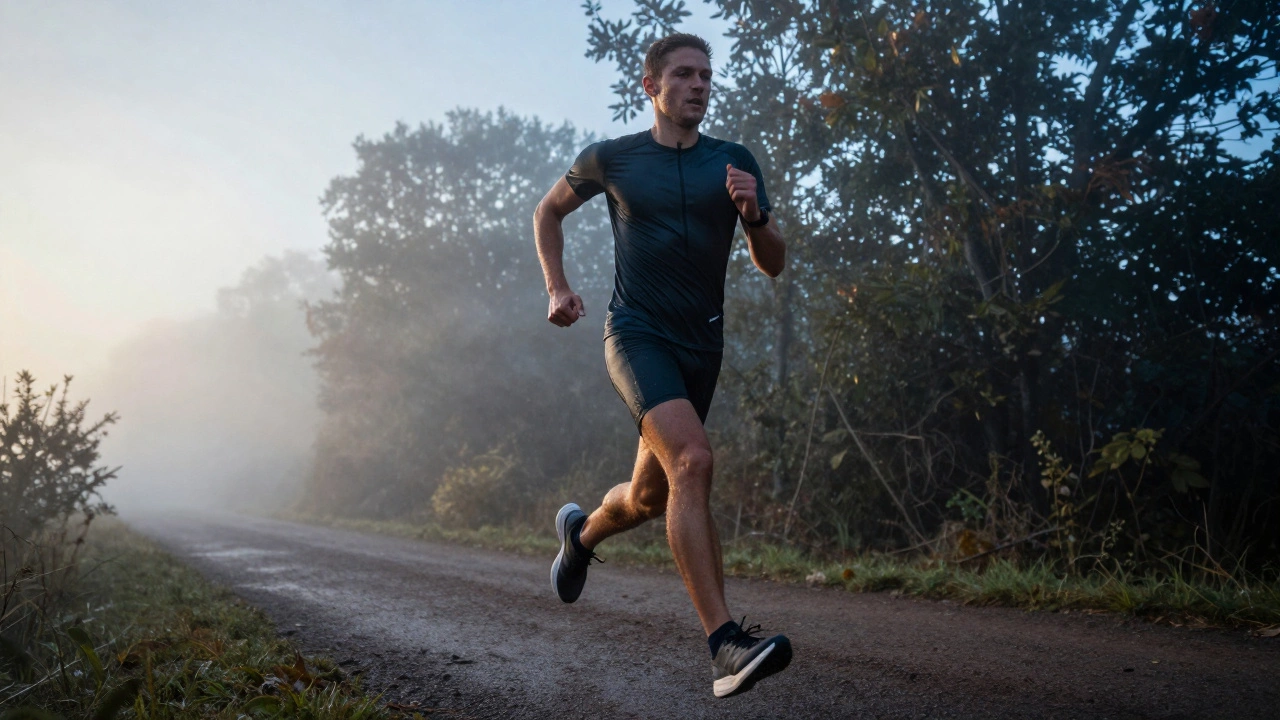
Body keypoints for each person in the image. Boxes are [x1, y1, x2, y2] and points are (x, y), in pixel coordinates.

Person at [532, 32, 791, 698]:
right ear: (652, 86)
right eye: (683, 75)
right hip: (636, 335)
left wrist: (754, 214)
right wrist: (557, 287)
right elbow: (548, 211)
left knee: (650, 496)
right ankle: (725, 647)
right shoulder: (613, 159)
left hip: (702, 346)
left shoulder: (734, 162)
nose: (699, 85)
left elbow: (773, 262)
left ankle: (581, 534)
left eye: (707, 75)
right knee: (693, 461)